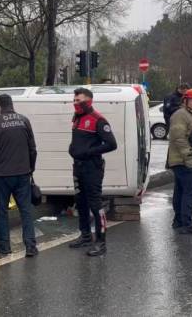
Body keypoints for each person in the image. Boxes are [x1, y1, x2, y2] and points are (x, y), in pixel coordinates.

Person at [0, 94, 38, 257]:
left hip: (3, 175)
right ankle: (30, 246)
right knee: (25, 210)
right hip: (22, 174)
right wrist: (30, 168)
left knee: (2, 211)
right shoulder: (24, 120)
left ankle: (4, 246)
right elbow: (33, 149)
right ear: (11, 104)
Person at [67, 88, 118, 257]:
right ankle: (85, 236)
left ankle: (101, 242)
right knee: (80, 202)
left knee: (95, 205)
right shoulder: (77, 117)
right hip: (78, 167)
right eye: (74, 100)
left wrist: (89, 152)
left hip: (92, 168)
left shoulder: (98, 120)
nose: (75, 103)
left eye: (79, 100)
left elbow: (112, 144)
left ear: (88, 101)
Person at [167, 88, 192, 235]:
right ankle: (186, 224)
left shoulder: (190, 115)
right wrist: (190, 158)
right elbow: (179, 138)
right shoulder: (181, 115)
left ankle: (179, 222)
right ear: (185, 101)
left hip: (184, 160)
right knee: (189, 193)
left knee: (181, 192)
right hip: (184, 161)